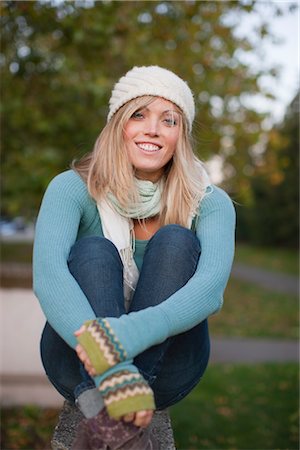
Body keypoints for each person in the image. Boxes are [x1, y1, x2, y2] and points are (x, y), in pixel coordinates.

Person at [33, 65, 236, 449]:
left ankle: (113, 411)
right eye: (138, 114)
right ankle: (120, 405)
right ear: (118, 125)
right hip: (73, 358)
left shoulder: (209, 202)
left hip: (172, 367)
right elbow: (48, 277)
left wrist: (122, 337)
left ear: (181, 135)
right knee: (94, 250)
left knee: (175, 240)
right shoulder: (71, 188)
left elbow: (210, 290)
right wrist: (115, 367)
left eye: (169, 120)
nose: (153, 129)